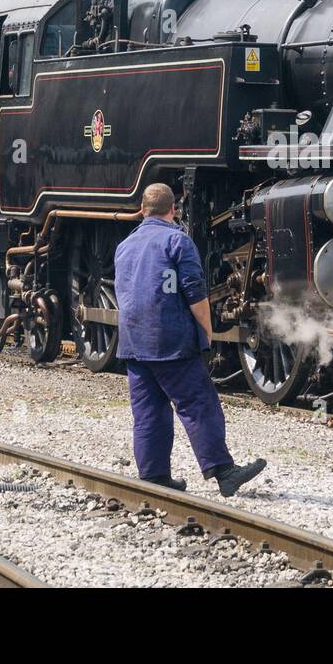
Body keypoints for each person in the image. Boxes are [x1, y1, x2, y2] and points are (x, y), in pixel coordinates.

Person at [113, 183, 266, 496]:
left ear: (142, 210)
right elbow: (195, 294)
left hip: (133, 341)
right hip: (170, 340)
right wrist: (206, 331)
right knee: (198, 403)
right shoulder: (177, 241)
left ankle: (154, 477)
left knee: (148, 411)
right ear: (173, 211)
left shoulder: (124, 246)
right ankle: (224, 471)